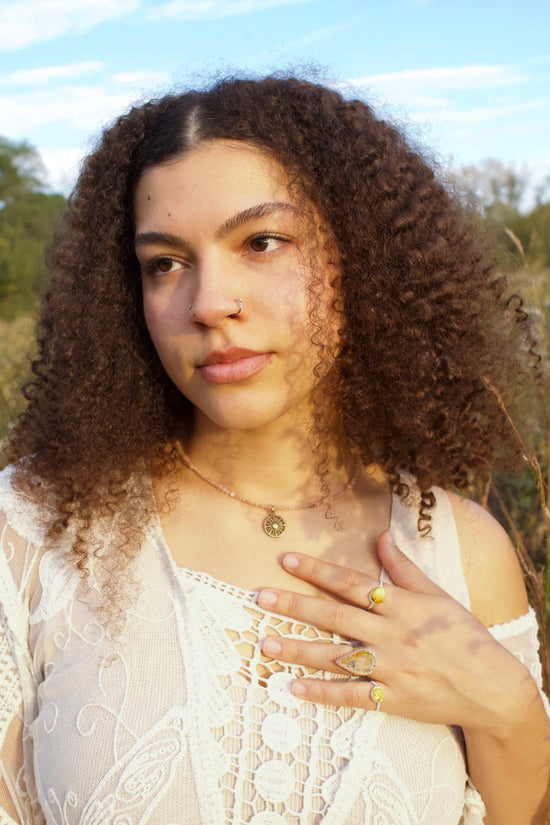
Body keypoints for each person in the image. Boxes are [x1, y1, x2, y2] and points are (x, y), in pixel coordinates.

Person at [0, 74, 548, 825]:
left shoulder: (464, 553)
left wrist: (511, 709)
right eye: (164, 261)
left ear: (361, 256)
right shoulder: (32, 534)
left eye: (262, 241)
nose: (207, 302)